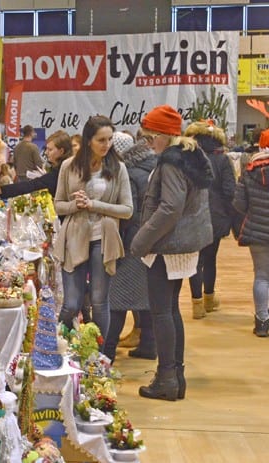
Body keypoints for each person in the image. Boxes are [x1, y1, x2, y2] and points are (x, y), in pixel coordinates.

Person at [131, 105, 213, 401]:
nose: (148, 143)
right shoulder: (191, 157)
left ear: (164, 135)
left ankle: (166, 378)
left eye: (150, 136)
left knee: (161, 312)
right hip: (182, 245)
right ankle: (175, 376)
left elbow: (170, 208)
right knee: (171, 310)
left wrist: (141, 241)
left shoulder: (171, 162)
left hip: (166, 246)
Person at [53, 115, 133, 343]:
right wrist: (75, 205)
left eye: (109, 139)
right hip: (74, 238)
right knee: (71, 304)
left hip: (103, 239)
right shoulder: (69, 166)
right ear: (89, 140)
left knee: (99, 302)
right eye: (101, 140)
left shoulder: (118, 168)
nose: (106, 145)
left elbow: (127, 210)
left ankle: (98, 356)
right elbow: (58, 204)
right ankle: (61, 349)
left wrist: (94, 205)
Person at [103, 133, 157, 362]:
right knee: (145, 295)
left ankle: (106, 352)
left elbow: (129, 213)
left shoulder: (129, 172)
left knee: (117, 298)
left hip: (132, 241)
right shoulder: (151, 166)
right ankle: (149, 345)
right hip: (151, 238)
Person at [183, 120, 236, 318]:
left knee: (195, 262)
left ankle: (196, 304)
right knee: (210, 258)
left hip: (191, 215)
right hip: (216, 217)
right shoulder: (223, 160)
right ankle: (209, 298)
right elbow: (230, 191)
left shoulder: (187, 159)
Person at [232, 146, 269, 337]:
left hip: (257, 232)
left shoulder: (249, 171)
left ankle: (262, 321)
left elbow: (238, 204)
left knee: (261, 276)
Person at [0, 129, 72, 198]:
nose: (46, 152)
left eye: (50, 149)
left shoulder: (60, 172)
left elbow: (32, 185)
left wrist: (0, 190)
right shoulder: (64, 168)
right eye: (47, 149)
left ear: (61, 151)